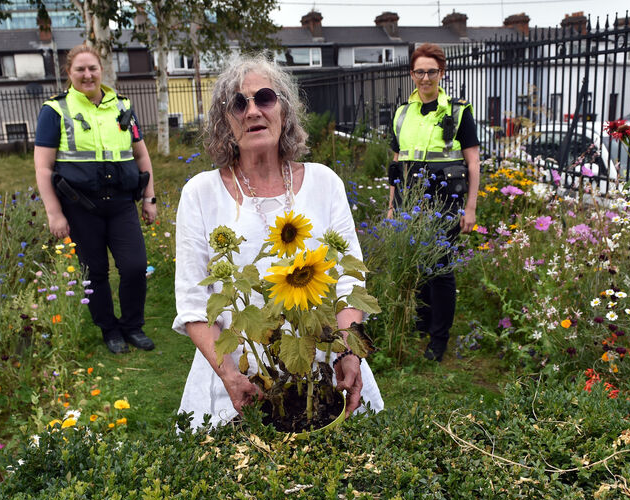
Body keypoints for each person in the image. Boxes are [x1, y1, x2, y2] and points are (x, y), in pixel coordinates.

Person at [173, 55, 384, 429]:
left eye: (265, 98)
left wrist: (348, 354)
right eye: (238, 104)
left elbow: (350, 281)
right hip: (239, 381)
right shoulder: (200, 193)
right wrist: (229, 376)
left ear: (284, 111)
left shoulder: (324, 183)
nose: (252, 110)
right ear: (226, 123)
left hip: (325, 376)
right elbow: (193, 304)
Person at [34, 44, 157, 355]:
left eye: (92, 68)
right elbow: (43, 167)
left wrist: (149, 198)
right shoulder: (55, 110)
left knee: (134, 266)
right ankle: (110, 329)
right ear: (69, 73)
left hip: (120, 204)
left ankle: (132, 326)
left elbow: (141, 154)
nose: (87, 75)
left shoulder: (122, 106)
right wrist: (54, 213)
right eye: (80, 69)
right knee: (95, 272)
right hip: (81, 208)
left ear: (101, 70)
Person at [387, 43, 481, 362]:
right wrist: (392, 206)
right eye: (419, 71)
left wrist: (470, 208)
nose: (425, 78)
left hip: (446, 200)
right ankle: (423, 322)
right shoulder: (402, 114)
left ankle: (438, 340)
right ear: (411, 74)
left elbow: (473, 164)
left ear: (442, 73)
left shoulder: (458, 112)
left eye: (431, 71)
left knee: (441, 269)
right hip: (410, 201)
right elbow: (397, 163)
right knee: (417, 263)